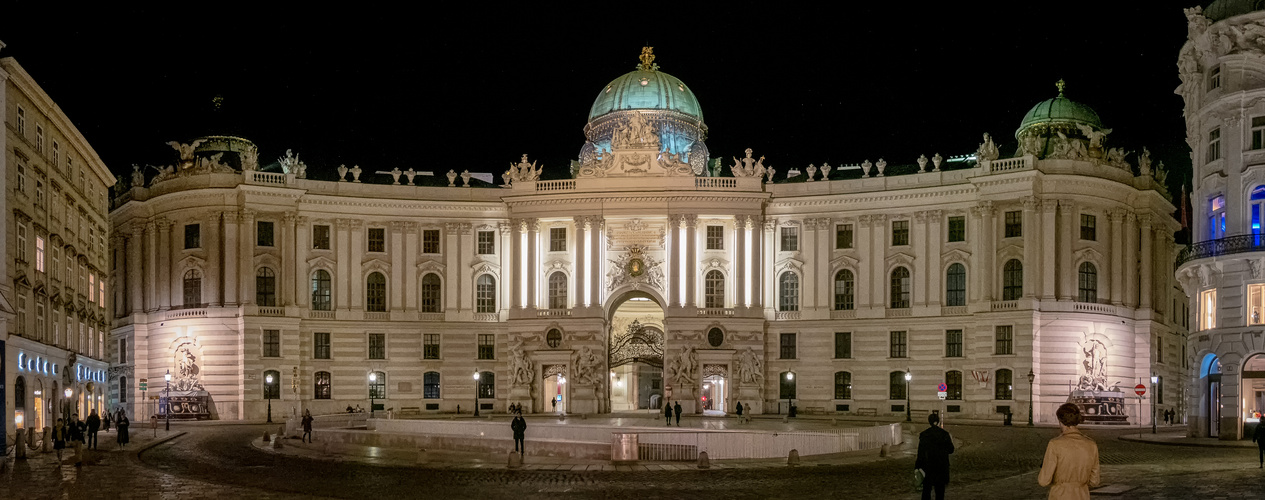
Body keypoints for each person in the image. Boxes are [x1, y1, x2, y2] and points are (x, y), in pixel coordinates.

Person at [1038, 403, 1101, 499]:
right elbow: (1095, 481)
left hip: (1060, 495)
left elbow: (1043, 480)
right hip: (1082, 495)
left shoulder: (1055, 444)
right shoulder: (1091, 445)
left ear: (1060, 421)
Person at [915, 413, 955, 500]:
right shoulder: (944, 434)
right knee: (940, 492)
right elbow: (951, 450)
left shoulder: (924, 435)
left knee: (926, 491)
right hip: (941, 466)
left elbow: (920, 453)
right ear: (938, 421)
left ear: (929, 422)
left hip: (928, 466)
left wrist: (917, 467)